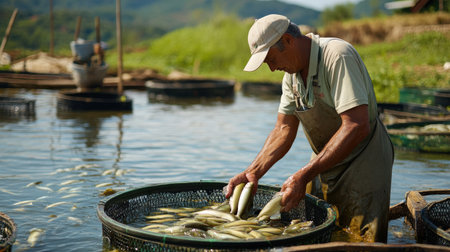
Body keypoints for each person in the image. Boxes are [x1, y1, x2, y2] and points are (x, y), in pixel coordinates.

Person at [226, 14, 394, 242]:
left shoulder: (336, 56)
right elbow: (283, 129)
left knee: (361, 240)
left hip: (363, 162)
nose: (272, 68)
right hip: (324, 162)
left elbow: (356, 125)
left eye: (270, 59)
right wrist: (253, 172)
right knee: (322, 235)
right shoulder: (291, 76)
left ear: (287, 40)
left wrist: (304, 174)